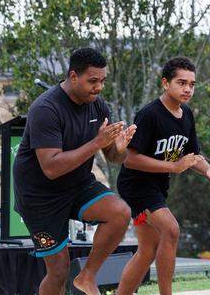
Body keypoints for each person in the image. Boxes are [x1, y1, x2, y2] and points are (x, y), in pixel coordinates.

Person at [13, 47, 137, 295]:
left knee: (120, 213)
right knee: (58, 272)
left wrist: (121, 149)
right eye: (93, 81)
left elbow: (112, 156)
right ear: (73, 77)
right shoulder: (45, 109)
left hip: (77, 184)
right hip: (40, 197)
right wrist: (95, 143)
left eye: (102, 80)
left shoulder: (98, 105)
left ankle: (86, 278)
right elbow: (51, 167)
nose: (99, 87)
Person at [116, 56, 210, 295]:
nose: (188, 89)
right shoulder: (150, 114)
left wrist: (208, 169)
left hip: (156, 187)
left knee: (147, 249)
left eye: (192, 84)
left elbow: (191, 154)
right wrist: (174, 167)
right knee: (171, 229)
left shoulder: (186, 115)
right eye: (181, 82)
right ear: (165, 83)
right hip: (136, 184)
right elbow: (131, 159)